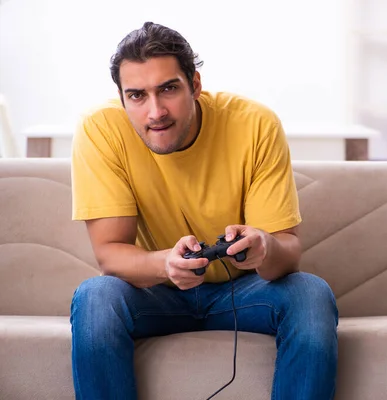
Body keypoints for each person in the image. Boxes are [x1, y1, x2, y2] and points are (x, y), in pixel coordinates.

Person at [69, 21, 339, 400]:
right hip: (156, 292)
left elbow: (286, 256)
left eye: (169, 89)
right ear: (121, 97)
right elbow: (110, 254)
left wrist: (263, 246)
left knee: (310, 293)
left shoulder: (254, 124)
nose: (155, 111)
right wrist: (167, 264)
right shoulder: (101, 130)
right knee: (96, 296)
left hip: (242, 291)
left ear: (195, 84)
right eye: (137, 96)